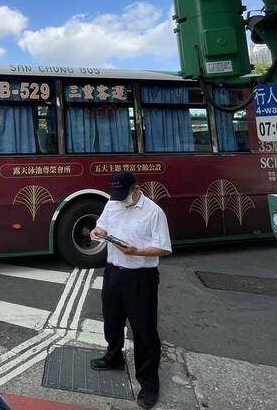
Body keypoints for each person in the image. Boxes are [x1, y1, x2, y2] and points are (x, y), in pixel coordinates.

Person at [90, 171, 172, 410]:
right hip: (114, 271)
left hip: (141, 277)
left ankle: (149, 385)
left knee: (144, 330)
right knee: (111, 319)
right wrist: (98, 232)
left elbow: (164, 248)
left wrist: (136, 251)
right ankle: (113, 356)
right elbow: (101, 226)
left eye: (123, 194)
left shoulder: (154, 212)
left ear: (137, 189)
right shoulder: (113, 203)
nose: (119, 199)